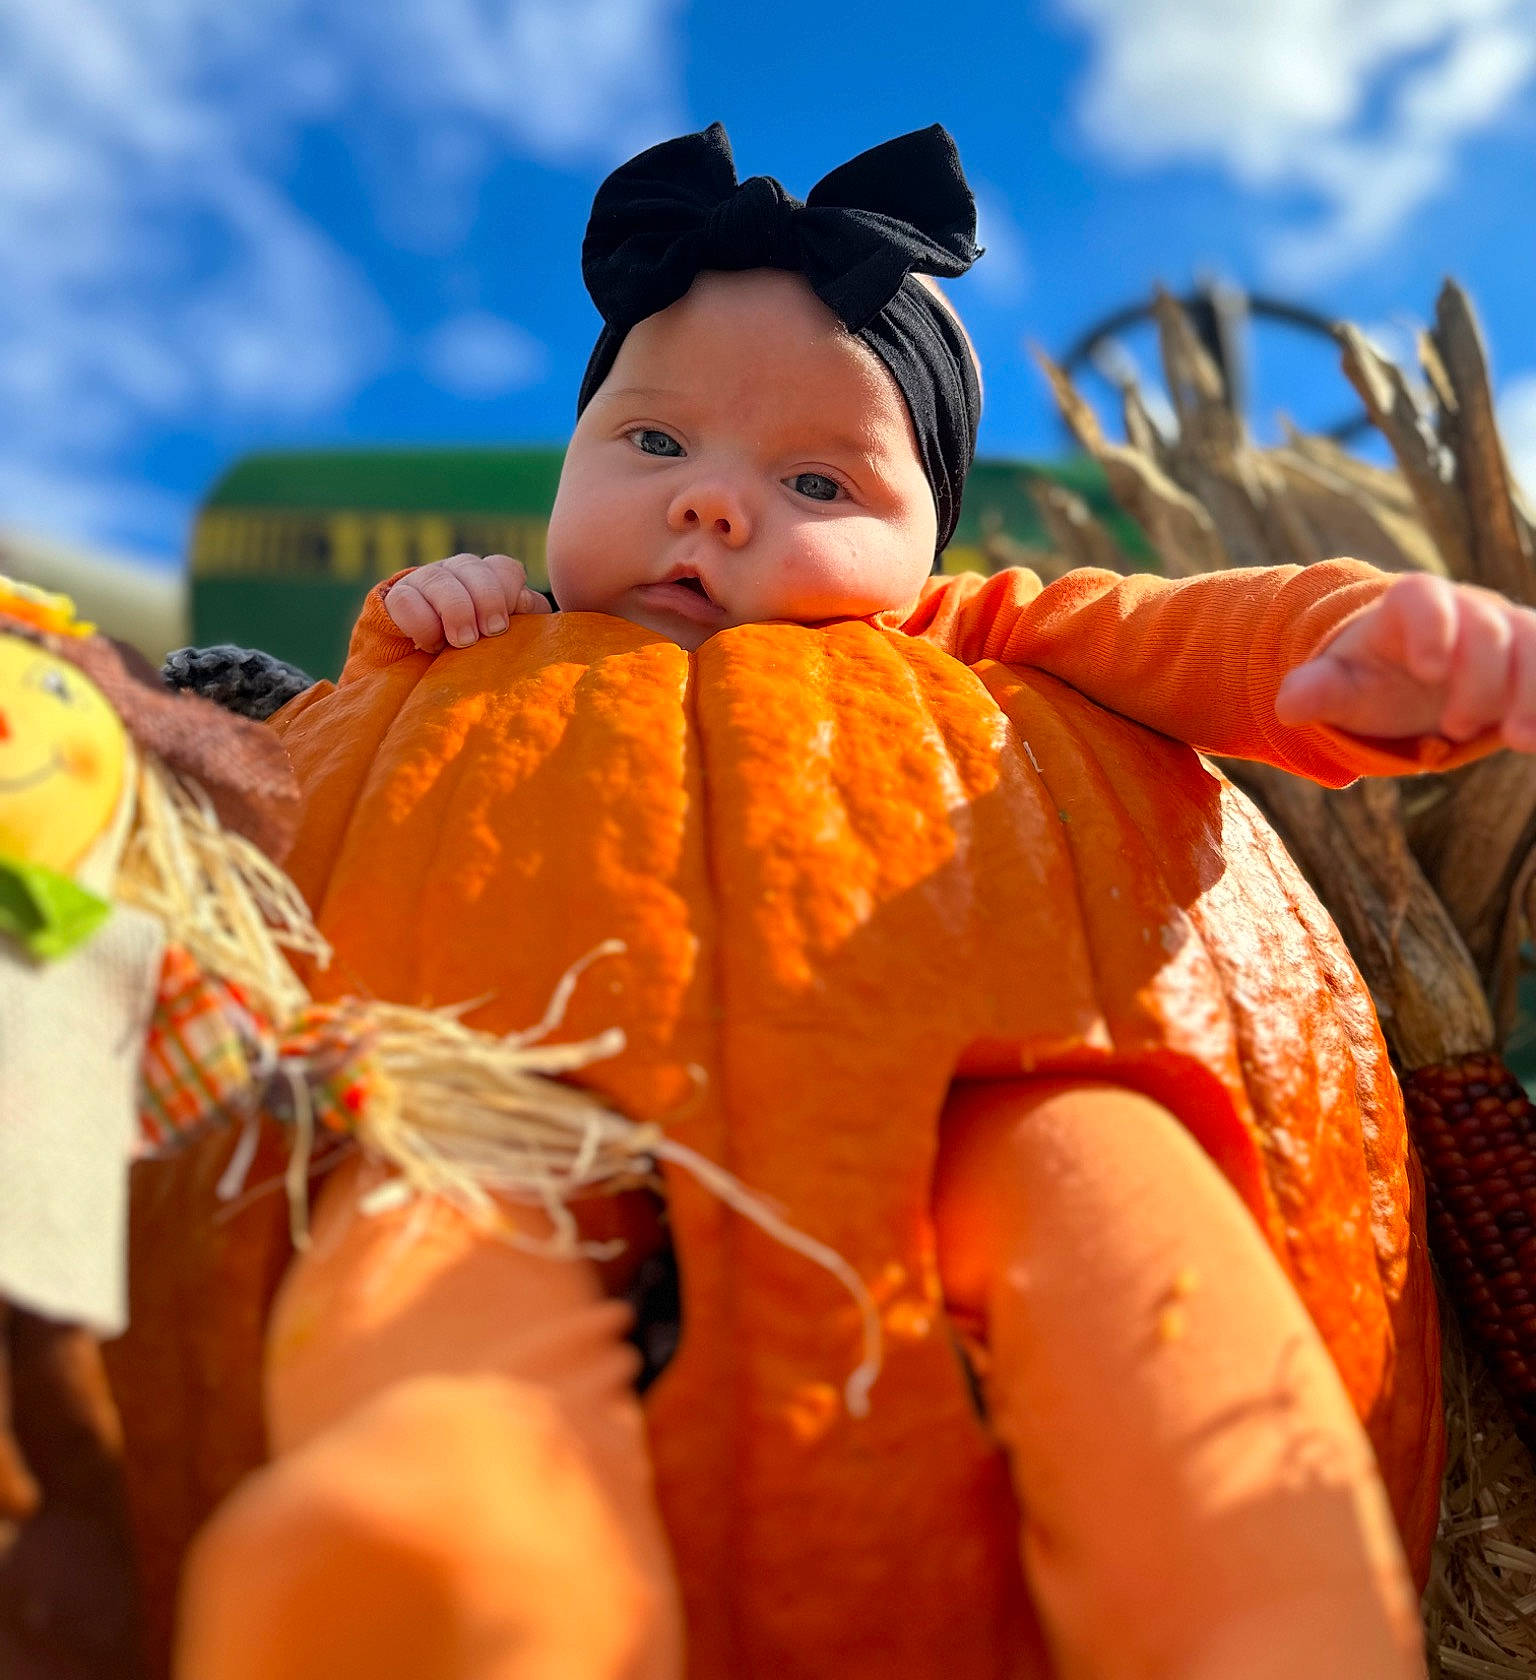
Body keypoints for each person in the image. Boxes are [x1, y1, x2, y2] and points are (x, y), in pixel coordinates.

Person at [177, 123, 1536, 1680]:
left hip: (968, 1078)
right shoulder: (482, 645)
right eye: (654, 445)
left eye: (816, 477)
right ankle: (429, 1582)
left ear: (923, 547)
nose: (713, 508)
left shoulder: (977, 639)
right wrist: (410, 634)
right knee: (424, 1240)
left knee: (1127, 1207)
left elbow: (1199, 640)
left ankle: (1256, 1612)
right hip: (497, 1080)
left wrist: (1351, 650)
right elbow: (329, 810)